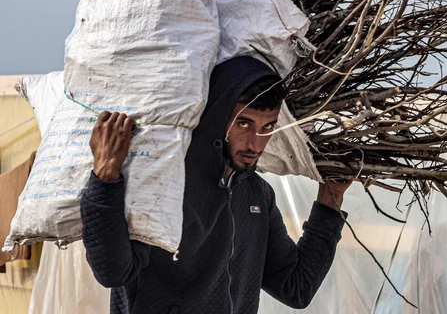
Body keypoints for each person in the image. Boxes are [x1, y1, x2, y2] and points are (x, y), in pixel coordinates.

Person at [80, 56, 351, 314]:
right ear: (218, 117)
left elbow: (295, 288)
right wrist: (105, 176)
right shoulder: (166, 184)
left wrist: (331, 199)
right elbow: (113, 272)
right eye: (243, 123)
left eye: (267, 127)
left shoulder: (256, 194)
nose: (256, 143)